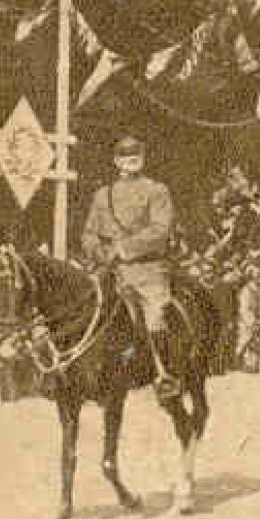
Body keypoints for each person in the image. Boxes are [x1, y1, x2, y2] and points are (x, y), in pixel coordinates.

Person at [81, 136, 178, 398]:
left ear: (143, 158)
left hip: (147, 269)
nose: (131, 159)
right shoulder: (103, 195)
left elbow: (161, 229)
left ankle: (163, 373)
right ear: (116, 161)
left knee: (155, 313)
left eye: (136, 155)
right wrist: (101, 253)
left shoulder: (157, 190)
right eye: (124, 156)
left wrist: (123, 249)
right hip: (110, 269)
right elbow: (89, 234)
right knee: (83, 308)